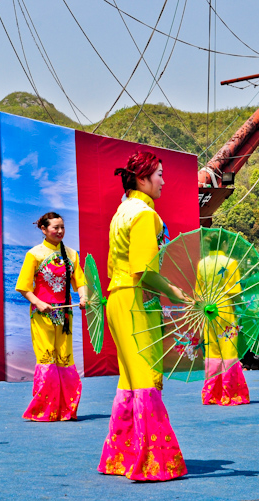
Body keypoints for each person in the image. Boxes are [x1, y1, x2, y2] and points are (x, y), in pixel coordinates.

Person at [98, 151, 187, 481]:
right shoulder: (145, 214)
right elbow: (144, 271)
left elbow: (120, 266)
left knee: (129, 380)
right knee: (146, 379)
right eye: (159, 174)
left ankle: (121, 456)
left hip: (119, 298)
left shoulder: (122, 211)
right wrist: (175, 292)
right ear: (142, 178)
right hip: (137, 298)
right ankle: (152, 460)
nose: (163, 181)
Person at [15, 212, 87, 421]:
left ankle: (66, 410)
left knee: (65, 358)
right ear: (44, 229)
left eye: (62, 227)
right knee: (46, 358)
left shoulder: (71, 254)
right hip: (42, 313)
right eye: (55, 227)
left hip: (65, 313)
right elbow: (23, 287)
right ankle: (44, 410)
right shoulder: (34, 254)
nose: (60, 231)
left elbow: (80, 281)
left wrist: (83, 297)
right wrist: (38, 302)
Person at [198, 233, 249, 406]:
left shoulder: (202, 264)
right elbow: (234, 292)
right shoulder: (230, 263)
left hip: (208, 310)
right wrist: (245, 306)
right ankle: (229, 393)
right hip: (225, 309)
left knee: (212, 351)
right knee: (228, 351)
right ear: (225, 243)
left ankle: (212, 394)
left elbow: (198, 291)